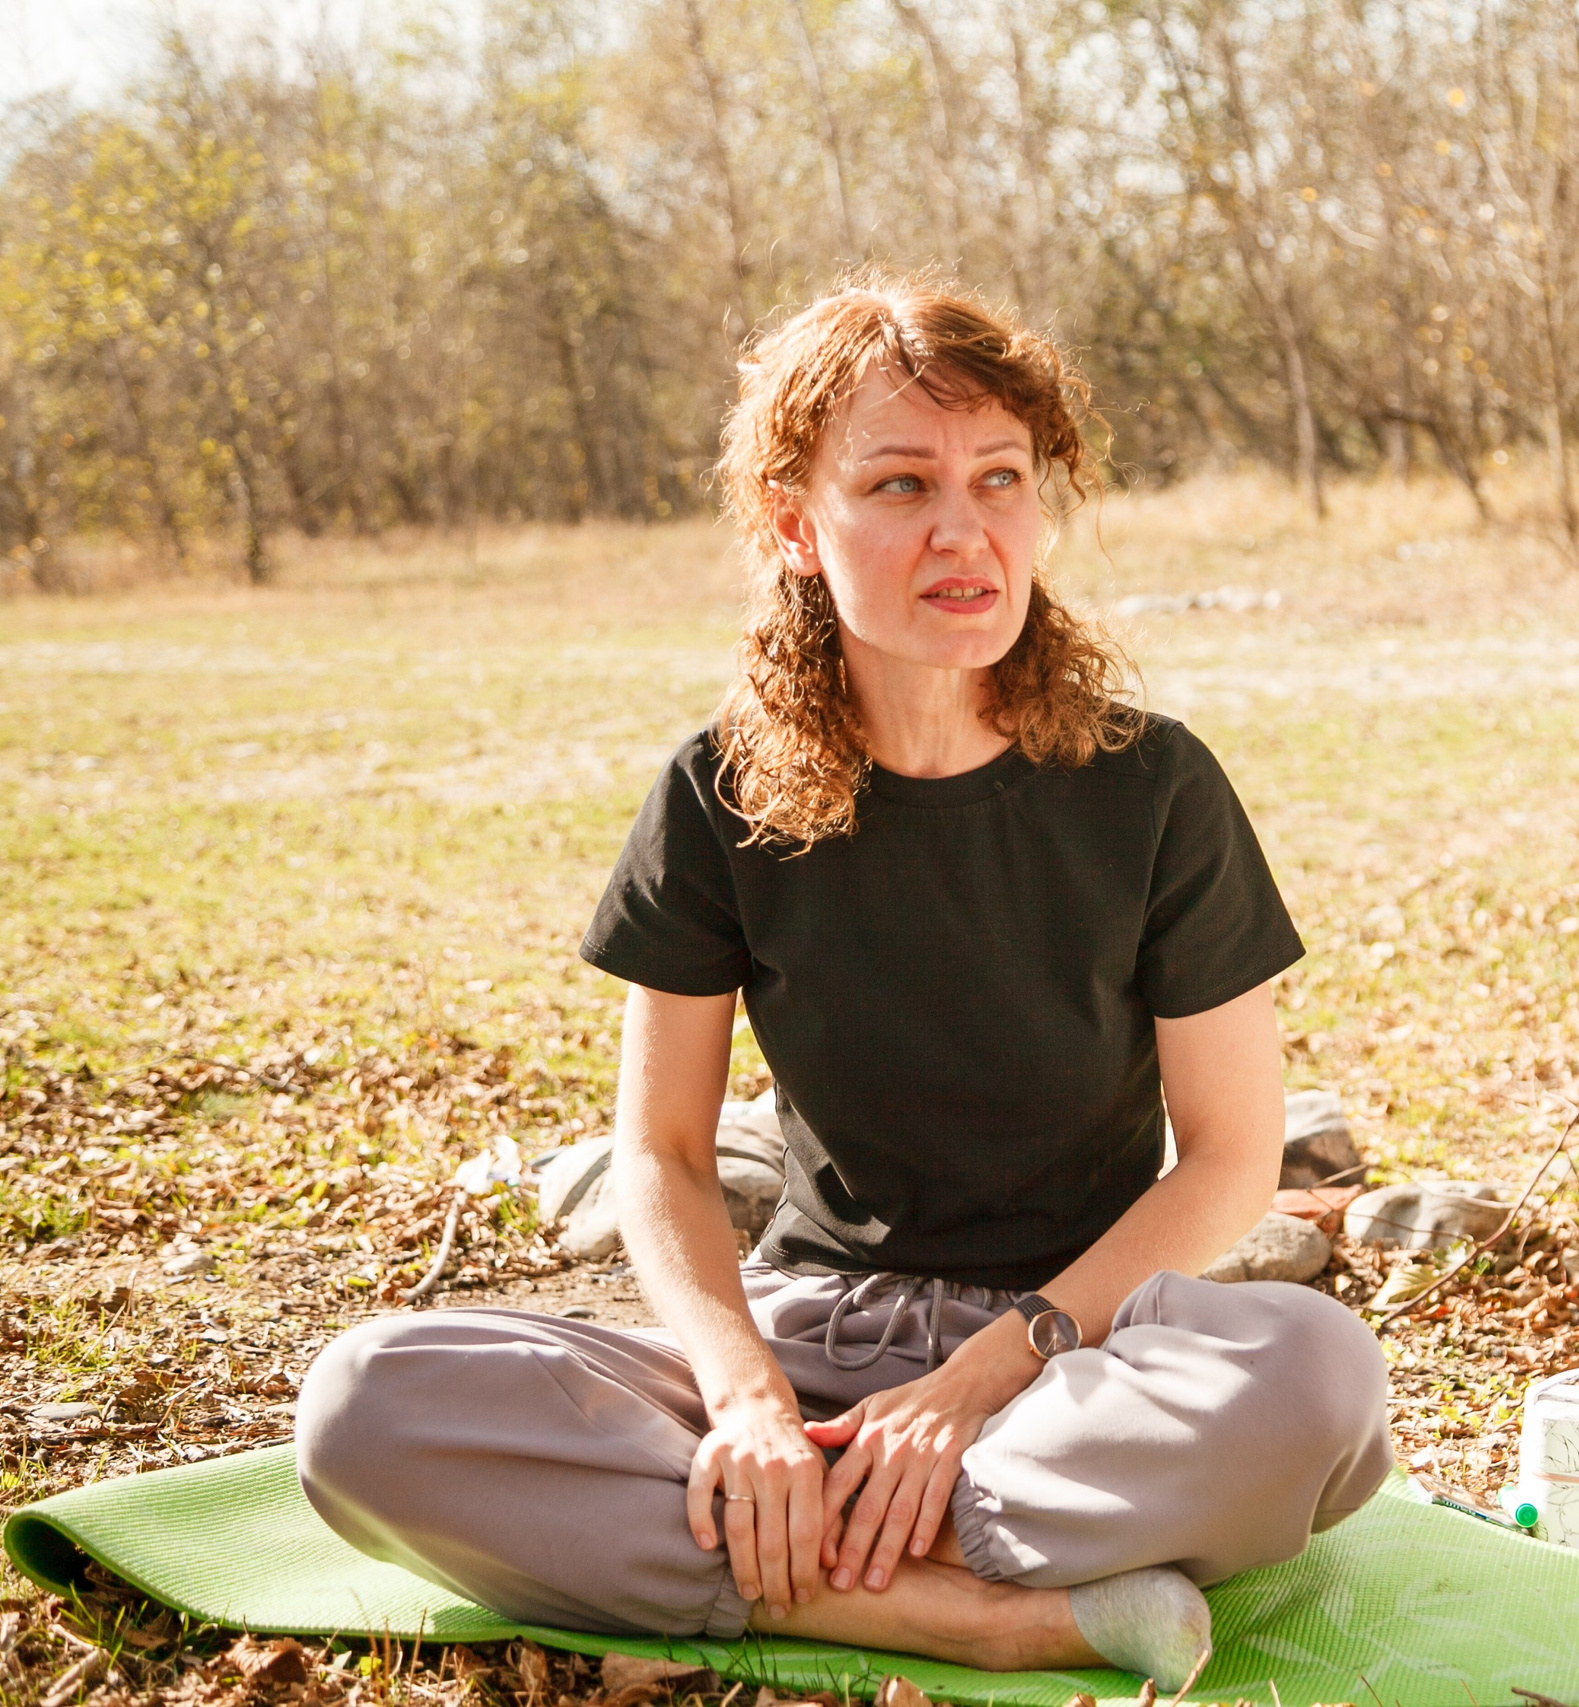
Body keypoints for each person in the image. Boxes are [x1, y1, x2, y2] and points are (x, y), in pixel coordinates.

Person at [295, 274, 1393, 1684]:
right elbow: (666, 1154)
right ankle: (967, 1610)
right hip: (813, 1340)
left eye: (1002, 477)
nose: (966, 528)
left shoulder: (1155, 785)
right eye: (899, 483)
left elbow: (1234, 1159)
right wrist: (745, 1398)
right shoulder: (715, 793)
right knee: (366, 1409)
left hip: (1084, 1355)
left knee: (1318, 1387)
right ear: (793, 528)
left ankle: (772, 1562)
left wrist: (986, 1380)